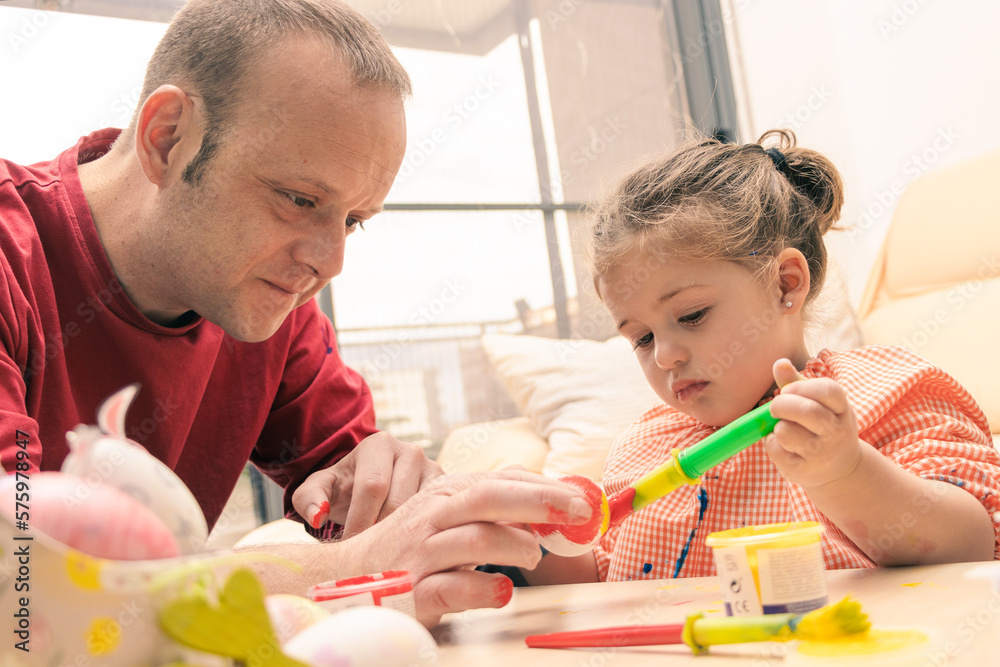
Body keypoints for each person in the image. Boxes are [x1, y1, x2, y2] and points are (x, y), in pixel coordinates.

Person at [0, 0, 592, 627]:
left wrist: (396, 499)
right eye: (299, 199)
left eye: (353, 220)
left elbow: (367, 499)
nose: (330, 262)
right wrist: (353, 568)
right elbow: (20, 581)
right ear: (167, 137)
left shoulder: (267, 303)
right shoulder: (15, 258)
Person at [525, 129, 1000, 586]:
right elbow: (605, 580)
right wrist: (534, 540)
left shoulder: (883, 390)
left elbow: (970, 546)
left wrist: (845, 472)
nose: (664, 356)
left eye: (691, 315)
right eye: (642, 338)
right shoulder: (643, 447)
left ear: (785, 284)